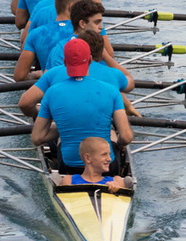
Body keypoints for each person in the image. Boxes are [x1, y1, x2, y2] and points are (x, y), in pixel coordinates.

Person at [32, 38, 133, 175]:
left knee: (63, 137)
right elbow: (126, 137)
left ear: (65, 62)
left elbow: (37, 138)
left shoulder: (52, 92)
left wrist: (64, 128)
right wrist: (118, 146)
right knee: (111, 133)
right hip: (107, 167)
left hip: (69, 167)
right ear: (90, 60)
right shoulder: (111, 90)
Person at [18, 30, 135, 117]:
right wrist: (107, 57)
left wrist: (41, 116)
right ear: (100, 55)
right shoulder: (113, 74)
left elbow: (25, 103)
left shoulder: (53, 73)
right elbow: (130, 81)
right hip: (103, 139)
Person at [13, 0, 85, 81]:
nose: (84, 11)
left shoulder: (36, 33)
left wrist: (37, 75)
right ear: (71, 6)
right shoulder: (85, 31)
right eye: (82, 7)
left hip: (49, 88)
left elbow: (19, 76)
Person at [61, 137, 127, 192]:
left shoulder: (117, 181)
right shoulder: (69, 180)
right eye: (104, 154)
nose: (109, 159)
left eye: (109, 154)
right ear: (88, 158)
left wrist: (118, 192)